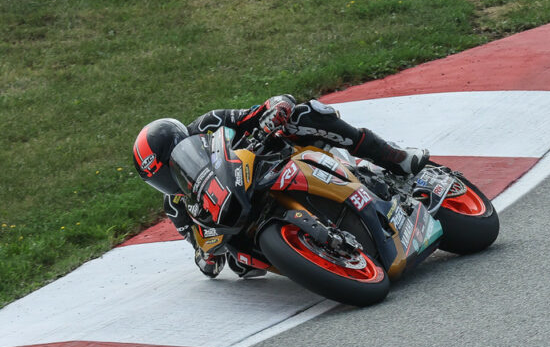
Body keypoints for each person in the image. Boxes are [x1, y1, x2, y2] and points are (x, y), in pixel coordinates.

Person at [131, 94, 429, 278]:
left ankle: (394, 157)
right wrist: (208, 255)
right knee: (241, 265)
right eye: (160, 180)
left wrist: (276, 108)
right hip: (243, 214)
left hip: (272, 162)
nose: (170, 181)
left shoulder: (209, 126)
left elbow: (255, 113)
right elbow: (201, 254)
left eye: (170, 167)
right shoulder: (176, 205)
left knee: (304, 114)